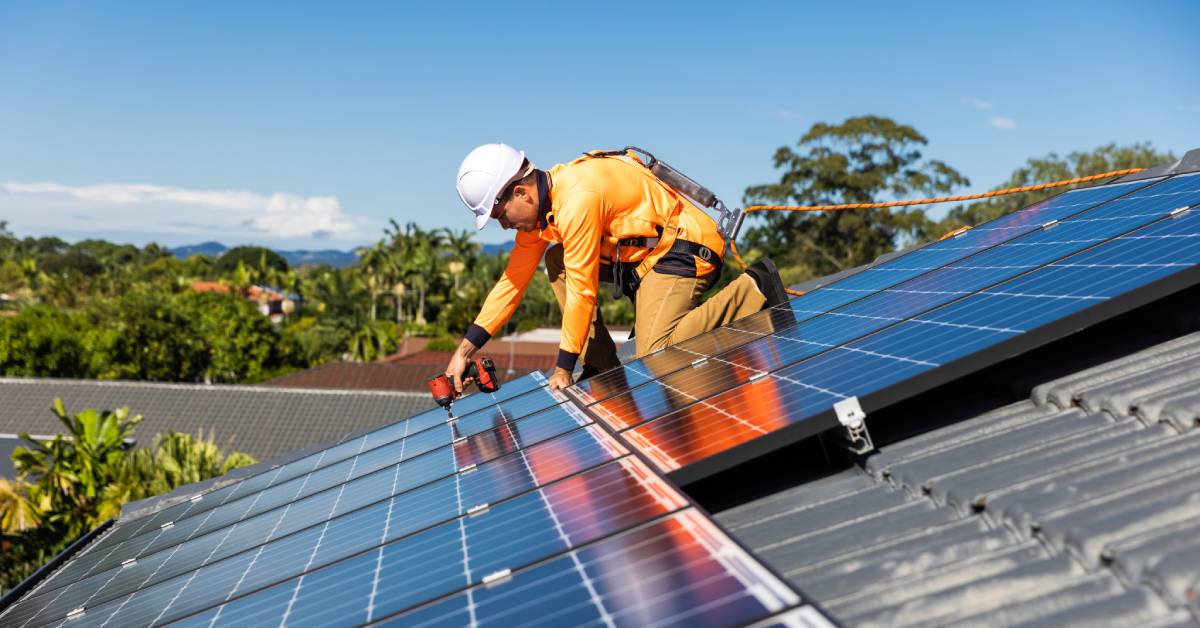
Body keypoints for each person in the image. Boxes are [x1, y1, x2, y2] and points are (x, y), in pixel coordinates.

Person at [444, 143, 788, 392]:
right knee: (555, 259)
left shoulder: (577, 199)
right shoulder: (542, 216)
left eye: (500, 215)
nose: (503, 226)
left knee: (657, 352)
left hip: (683, 248)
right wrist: (464, 352)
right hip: (645, 262)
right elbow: (512, 283)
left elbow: (582, 289)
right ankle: (601, 364)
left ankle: (754, 287)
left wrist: (564, 367)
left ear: (521, 193)